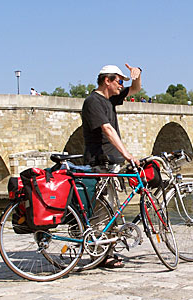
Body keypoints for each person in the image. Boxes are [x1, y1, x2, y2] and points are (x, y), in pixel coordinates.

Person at [81, 64, 141, 268]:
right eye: (119, 81)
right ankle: (99, 254)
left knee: (111, 209)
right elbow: (107, 129)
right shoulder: (93, 102)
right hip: (100, 163)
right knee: (102, 210)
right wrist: (127, 155)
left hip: (111, 163)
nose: (121, 85)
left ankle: (107, 249)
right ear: (107, 80)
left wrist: (137, 75)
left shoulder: (110, 99)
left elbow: (135, 90)